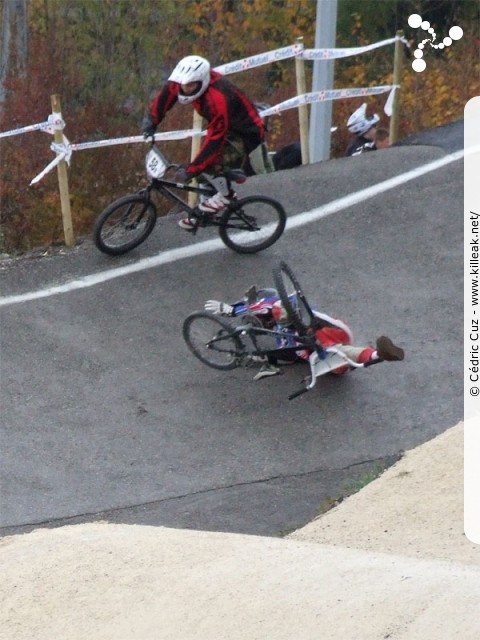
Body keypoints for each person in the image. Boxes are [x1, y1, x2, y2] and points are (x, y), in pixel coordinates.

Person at [142, 55, 273, 230]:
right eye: (183, 85)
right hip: (224, 127)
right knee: (203, 173)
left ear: (202, 81)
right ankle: (206, 211)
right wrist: (151, 122)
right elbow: (166, 95)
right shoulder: (183, 82)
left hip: (244, 133)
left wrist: (193, 169)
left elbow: (215, 140)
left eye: (190, 86)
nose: (185, 89)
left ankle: (225, 196)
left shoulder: (218, 98)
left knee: (207, 166)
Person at [204, 289, 404, 381]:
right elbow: (265, 306)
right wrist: (232, 310)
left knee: (340, 360)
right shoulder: (295, 308)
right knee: (344, 357)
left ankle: (379, 355)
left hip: (318, 346)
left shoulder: (303, 337)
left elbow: (283, 353)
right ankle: (378, 355)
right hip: (321, 338)